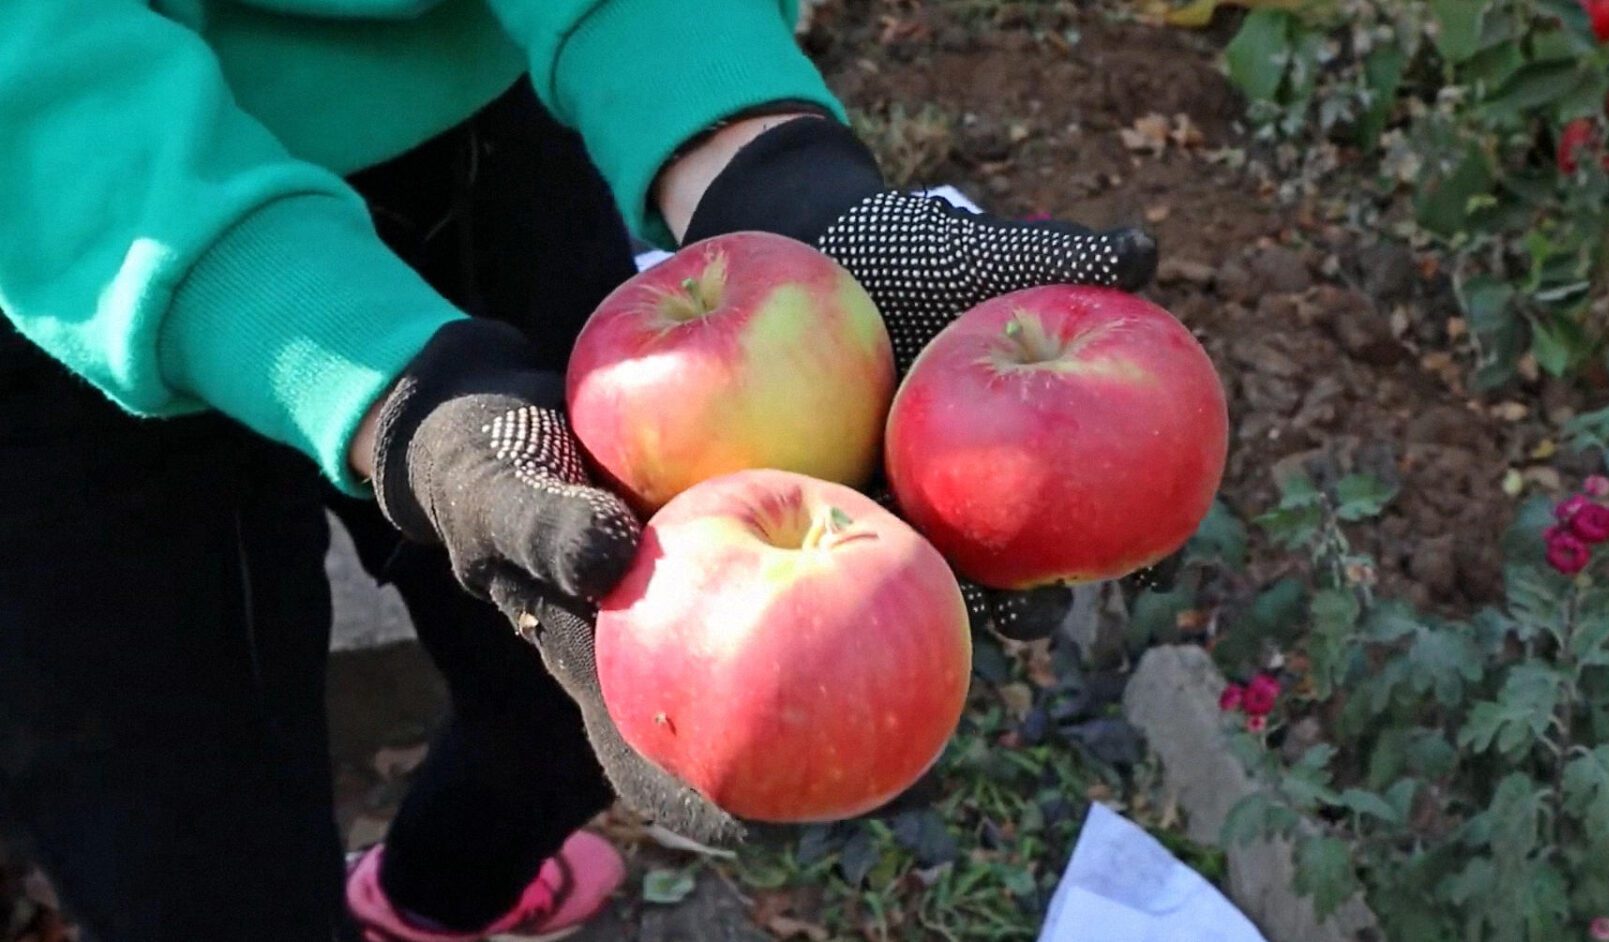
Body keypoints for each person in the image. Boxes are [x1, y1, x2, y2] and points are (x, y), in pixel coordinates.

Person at [0, 2, 1164, 940]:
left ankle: (429, 905)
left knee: (570, 678)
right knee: (181, 849)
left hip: (466, 123)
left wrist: (755, 158)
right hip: (61, 229)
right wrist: (396, 399)